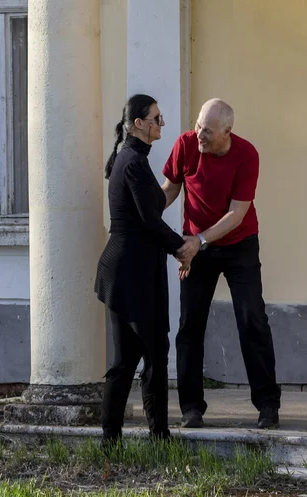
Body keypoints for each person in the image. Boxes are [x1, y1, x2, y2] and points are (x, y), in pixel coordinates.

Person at [162, 98, 281, 430]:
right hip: (196, 245)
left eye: (208, 131)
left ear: (227, 132)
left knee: (252, 319)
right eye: (198, 126)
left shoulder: (246, 154)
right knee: (189, 325)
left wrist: (197, 242)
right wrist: (143, 212)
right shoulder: (186, 144)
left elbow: (236, 213)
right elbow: (170, 190)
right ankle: (191, 408)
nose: (199, 134)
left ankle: (268, 405)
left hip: (237, 243)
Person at [95, 94, 195, 444]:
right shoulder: (133, 162)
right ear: (139, 123)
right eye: (156, 118)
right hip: (131, 272)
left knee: (129, 359)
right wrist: (183, 249)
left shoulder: (132, 158)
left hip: (128, 269)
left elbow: (152, 208)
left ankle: (112, 440)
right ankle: (158, 437)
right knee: (152, 353)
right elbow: (149, 221)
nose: (161, 123)